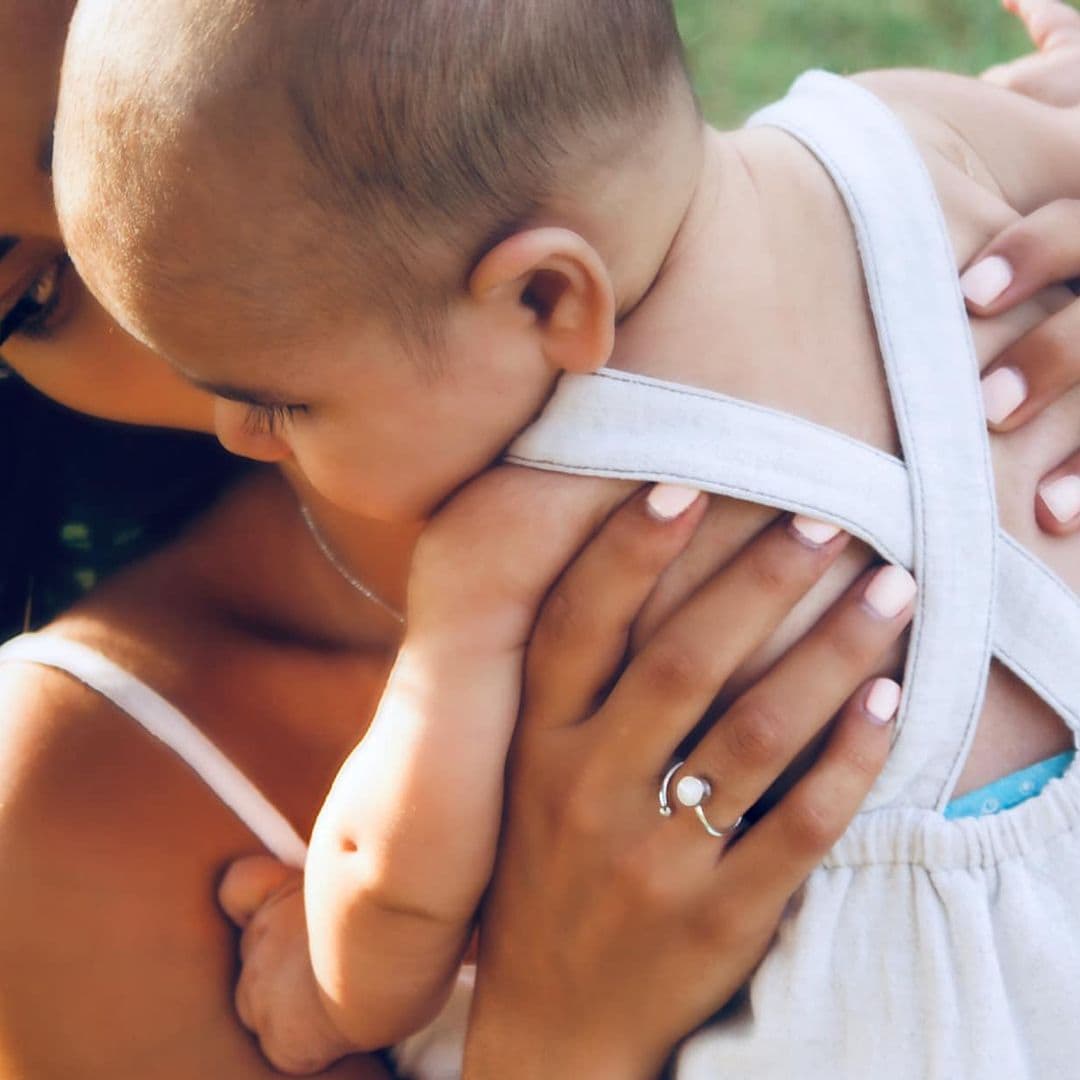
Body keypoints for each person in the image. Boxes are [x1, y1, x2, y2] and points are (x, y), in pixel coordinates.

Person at [52, 0, 1080, 1075]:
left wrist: (319, 989)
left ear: (547, 295)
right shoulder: (912, 129)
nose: (239, 434)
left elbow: (400, 881)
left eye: (281, 403)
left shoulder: (514, 535)